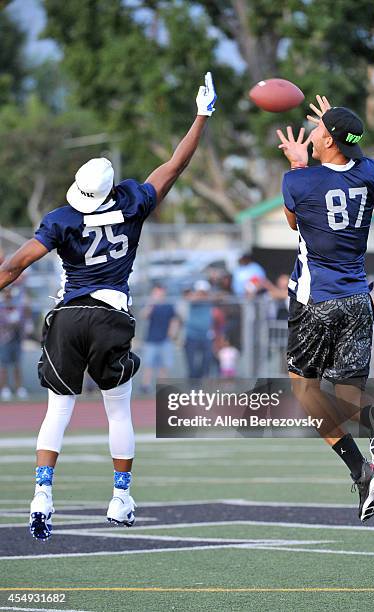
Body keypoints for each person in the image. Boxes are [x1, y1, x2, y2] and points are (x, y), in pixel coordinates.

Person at [0, 72, 217, 541]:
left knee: (58, 410)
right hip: (111, 316)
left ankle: (42, 493)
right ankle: (120, 497)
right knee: (118, 411)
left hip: (69, 316)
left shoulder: (62, 219)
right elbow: (174, 166)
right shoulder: (133, 202)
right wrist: (201, 115)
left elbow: (15, 265)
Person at [276, 95, 374, 522]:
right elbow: (357, 157)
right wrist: (335, 132)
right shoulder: (371, 175)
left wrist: (297, 163)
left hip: (317, 301)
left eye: (319, 129)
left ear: (326, 140)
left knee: (305, 390)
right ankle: (372, 435)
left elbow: (294, 222)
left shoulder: (299, 182)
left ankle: (359, 466)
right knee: (346, 396)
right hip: (358, 300)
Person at [140, 284, 178, 392]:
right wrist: (151, 304)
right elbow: (143, 316)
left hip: (165, 340)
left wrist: (172, 332)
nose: (159, 295)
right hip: (151, 340)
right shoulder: (150, 305)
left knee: (165, 365)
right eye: (156, 293)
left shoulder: (168, 305)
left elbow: (174, 319)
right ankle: (145, 386)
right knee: (148, 364)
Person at [0, 285, 29, 400]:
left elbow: (23, 320)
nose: (9, 294)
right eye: (6, 292)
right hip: (4, 340)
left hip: (16, 339)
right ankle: (4, 388)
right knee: (4, 366)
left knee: (17, 365)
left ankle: (19, 388)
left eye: (10, 292)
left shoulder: (17, 306)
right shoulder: (1, 307)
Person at [184, 280, 214, 379]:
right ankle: (193, 384)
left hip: (206, 335)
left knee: (207, 361)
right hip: (192, 335)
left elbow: (221, 296)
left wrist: (206, 297)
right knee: (191, 364)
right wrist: (201, 296)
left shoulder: (209, 299)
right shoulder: (193, 298)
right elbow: (189, 297)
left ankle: (202, 382)